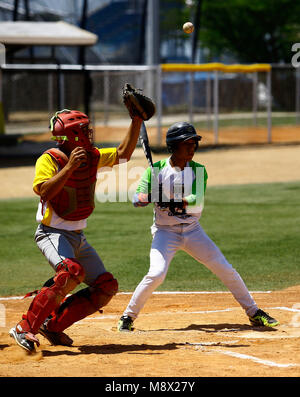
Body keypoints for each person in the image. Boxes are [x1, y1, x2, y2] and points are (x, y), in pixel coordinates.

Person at [117, 121, 280, 332]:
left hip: (193, 231)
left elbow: (196, 200)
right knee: (156, 274)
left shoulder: (199, 171)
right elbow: (136, 199)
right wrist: (152, 195)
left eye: (194, 143)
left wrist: (174, 200)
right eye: (187, 143)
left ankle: (254, 312)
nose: (192, 147)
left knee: (225, 269)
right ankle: (127, 317)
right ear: (174, 146)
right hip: (165, 232)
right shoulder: (155, 171)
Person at [9, 108, 144, 352]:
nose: (89, 133)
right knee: (69, 272)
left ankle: (52, 326)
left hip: (77, 236)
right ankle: (24, 328)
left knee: (106, 285)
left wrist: (137, 120)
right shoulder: (50, 159)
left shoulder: (91, 155)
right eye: (82, 130)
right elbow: (44, 192)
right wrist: (69, 167)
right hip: (52, 233)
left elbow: (123, 154)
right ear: (71, 136)